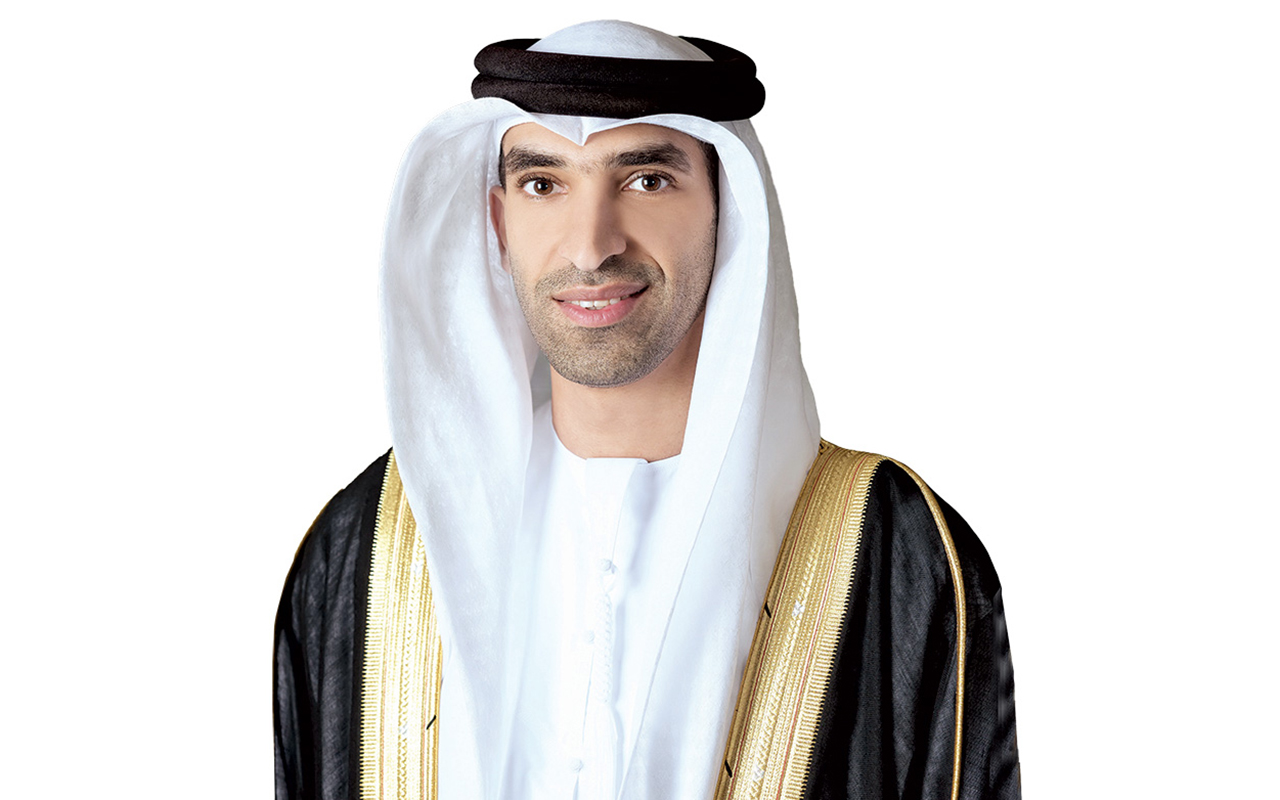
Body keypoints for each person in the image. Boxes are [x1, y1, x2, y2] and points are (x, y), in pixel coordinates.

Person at [274, 20, 1020, 800]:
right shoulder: (359, 550)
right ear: (498, 224)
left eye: (647, 180)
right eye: (543, 184)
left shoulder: (894, 551)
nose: (590, 245)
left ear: (728, 210)